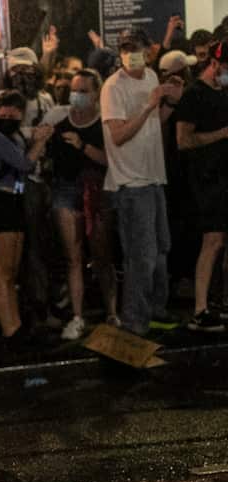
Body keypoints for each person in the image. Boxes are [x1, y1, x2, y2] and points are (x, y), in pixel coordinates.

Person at [101, 28, 184, 336]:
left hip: (153, 177)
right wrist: (149, 105)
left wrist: (169, 103)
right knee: (140, 255)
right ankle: (135, 321)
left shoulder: (149, 76)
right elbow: (119, 135)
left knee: (161, 248)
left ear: (149, 50)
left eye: (135, 48)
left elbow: (155, 121)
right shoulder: (113, 87)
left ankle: (156, 309)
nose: (130, 54)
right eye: (125, 49)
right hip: (131, 183)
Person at [0, 92, 54, 344]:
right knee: (2, 271)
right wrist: (40, 143)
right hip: (0, 205)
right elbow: (24, 164)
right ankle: (9, 328)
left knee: (11, 271)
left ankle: (16, 324)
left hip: (14, 202)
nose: (9, 115)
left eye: (14, 111)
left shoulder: (15, 137)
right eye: (5, 110)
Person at [46, 69, 117, 337]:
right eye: (74, 90)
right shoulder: (59, 120)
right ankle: (77, 316)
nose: (77, 96)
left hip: (97, 191)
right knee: (73, 256)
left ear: (96, 93)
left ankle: (112, 312)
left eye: (83, 91)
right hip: (65, 190)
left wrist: (82, 146)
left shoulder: (104, 123)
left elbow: (109, 160)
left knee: (102, 255)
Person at [174, 40, 228, 331]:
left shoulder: (224, 92)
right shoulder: (194, 95)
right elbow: (184, 141)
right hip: (207, 178)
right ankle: (200, 308)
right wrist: (222, 133)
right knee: (212, 241)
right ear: (215, 64)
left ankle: (217, 302)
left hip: (223, 175)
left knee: (221, 242)